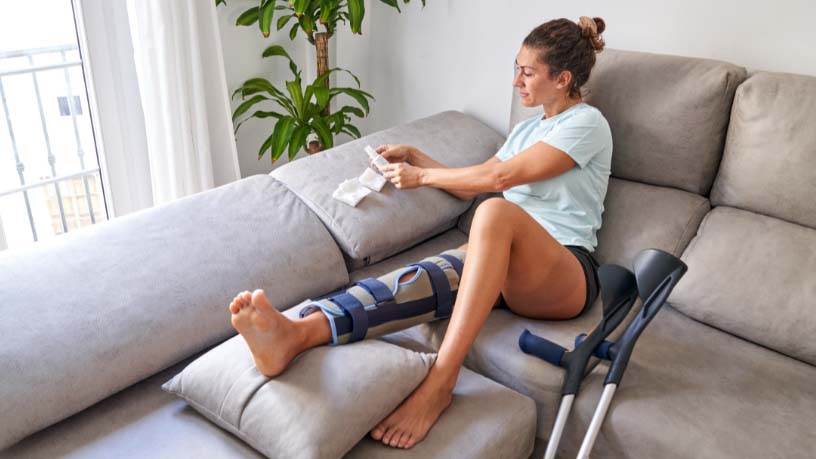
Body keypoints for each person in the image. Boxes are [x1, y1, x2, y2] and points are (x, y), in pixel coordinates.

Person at [228, 16, 611, 450]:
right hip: (505, 265)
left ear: (562, 79)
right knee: (417, 278)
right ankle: (297, 334)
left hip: (566, 273)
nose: (515, 81)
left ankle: (440, 382)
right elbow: (482, 175)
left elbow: (499, 178)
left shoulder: (587, 124)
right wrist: (418, 159)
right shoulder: (527, 129)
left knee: (494, 213)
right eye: (516, 68)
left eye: (527, 72)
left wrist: (421, 178)